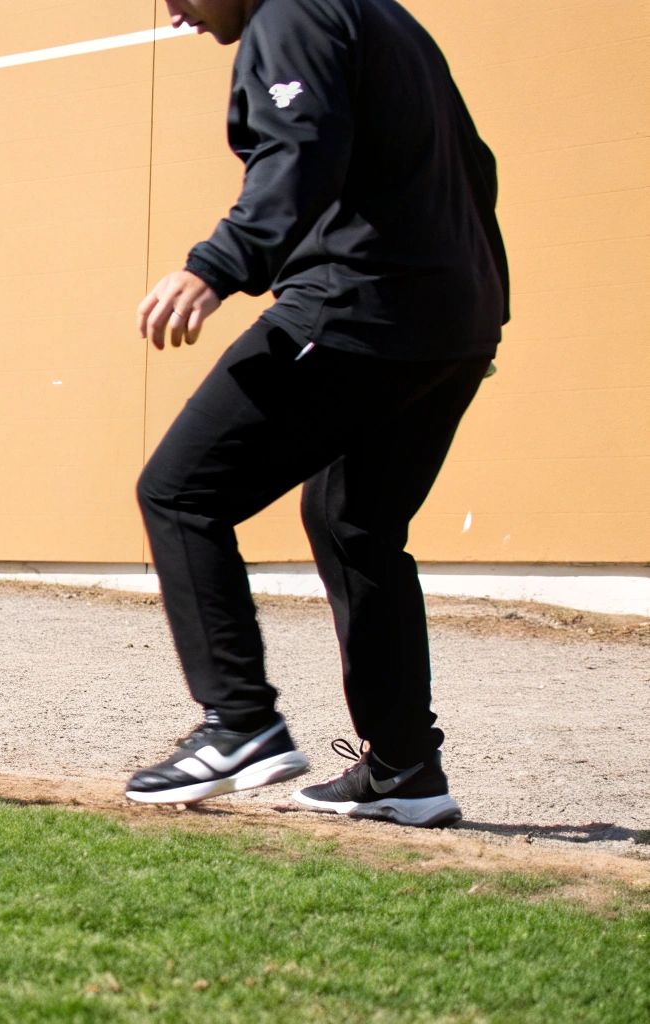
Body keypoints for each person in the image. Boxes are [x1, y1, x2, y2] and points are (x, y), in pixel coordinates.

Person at [123, 0, 507, 827]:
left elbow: (299, 153)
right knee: (354, 524)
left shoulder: (290, 16)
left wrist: (217, 267)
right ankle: (405, 765)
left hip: (354, 313)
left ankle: (241, 723)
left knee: (181, 493)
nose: (172, 10)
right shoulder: (378, 17)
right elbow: (477, 164)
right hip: (454, 325)